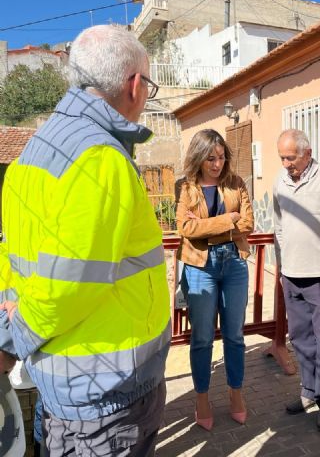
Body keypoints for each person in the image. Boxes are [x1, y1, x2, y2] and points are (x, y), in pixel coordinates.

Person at [0, 24, 170, 456]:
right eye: (148, 83)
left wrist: (7, 335)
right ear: (134, 85)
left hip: (80, 382)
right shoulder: (98, 157)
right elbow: (66, 286)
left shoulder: (29, 156)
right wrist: (12, 339)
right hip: (104, 396)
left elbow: (13, 258)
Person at [176, 129, 254, 430]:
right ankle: (202, 398)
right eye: (210, 158)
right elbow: (184, 227)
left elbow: (248, 222)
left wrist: (206, 225)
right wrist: (227, 220)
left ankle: (236, 393)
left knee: (234, 334)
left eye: (221, 157)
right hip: (199, 266)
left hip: (234, 262)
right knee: (203, 337)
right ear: (199, 157)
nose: (217, 164)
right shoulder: (186, 187)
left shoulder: (236, 183)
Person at [273, 129, 320, 432]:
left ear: (307, 153)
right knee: (301, 339)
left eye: (290, 158)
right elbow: (279, 224)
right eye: (282, 158)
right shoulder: (280, 180)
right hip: (292, 274)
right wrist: (281, 265)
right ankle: (309, 392)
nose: (286, 164)